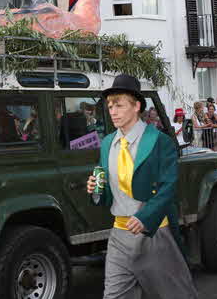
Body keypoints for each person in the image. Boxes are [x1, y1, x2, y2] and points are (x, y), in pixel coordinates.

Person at [85, 75, 198, 299]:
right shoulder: (107, 143)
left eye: (119, 105)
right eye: (109, 106)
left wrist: (146, 216)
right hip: (119, 233)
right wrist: (96, 189)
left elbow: (168, 186)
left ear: (136, 106)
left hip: (154, 233)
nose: (113, 111)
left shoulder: (159, 141)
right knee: (115, 296)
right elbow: (107, 190)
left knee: (175, 294)